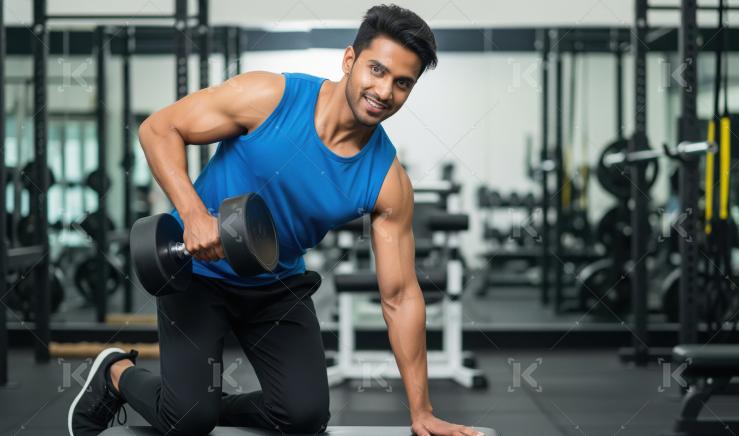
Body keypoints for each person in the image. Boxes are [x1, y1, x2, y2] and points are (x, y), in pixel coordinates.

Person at [68, 4, 485, 436]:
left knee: (304, 418)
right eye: (376, 70)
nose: (384, 90)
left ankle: (203, 404)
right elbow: (158, 129)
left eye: (402, 83)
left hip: (275, 286)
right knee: (188, 421)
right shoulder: (269, 98)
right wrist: (193, 214)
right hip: (198, 273)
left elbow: (400, 296)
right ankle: (115, 373)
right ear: (349, 60)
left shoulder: (387, 181)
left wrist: (422, 412)